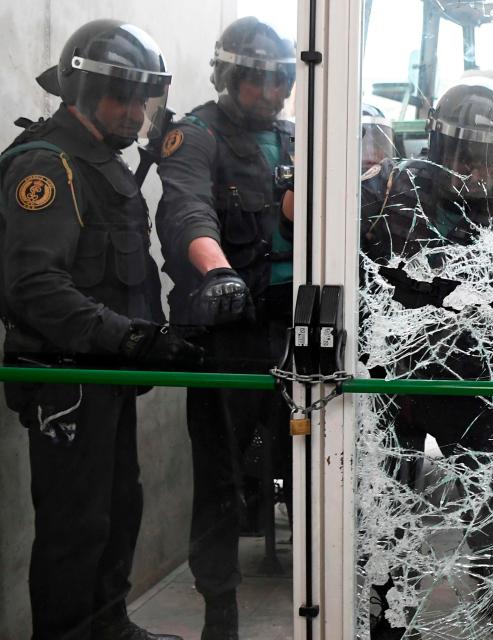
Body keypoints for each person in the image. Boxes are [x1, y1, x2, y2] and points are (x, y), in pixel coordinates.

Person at [0, 19, 202, 640]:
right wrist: (130, 337)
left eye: (142, 98)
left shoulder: (98, 162)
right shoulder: (47, 166)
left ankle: (108, 626)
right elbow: (37, 287)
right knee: (74, 525)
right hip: (65, 376)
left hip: (103, 370)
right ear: (81, 93)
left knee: (116, 509)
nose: (135, 113)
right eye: (120, 96)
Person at [360, 77, 493, 640]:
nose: (474, 172)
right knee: (385, 518)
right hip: (388, 378)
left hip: (470, 383)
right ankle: (386, 625)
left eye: (488, 160)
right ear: (440, 148)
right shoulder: (391, 186)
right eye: (464, 158)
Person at [154, 16, 296, 640]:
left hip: (297, 331)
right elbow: (187, 209)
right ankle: (220, 614)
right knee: (219, 479)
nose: (270, 94)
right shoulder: (196, 135)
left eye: (281, 81)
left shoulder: (297, 141)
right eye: (257, 81)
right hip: (229, 333)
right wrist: (217, 272)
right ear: (228, 77)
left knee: (315, 464)